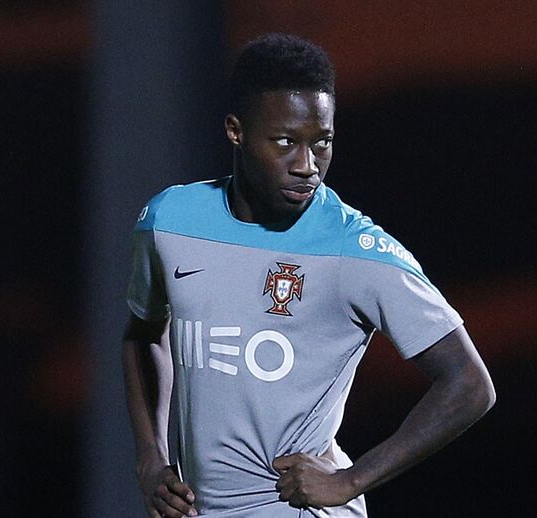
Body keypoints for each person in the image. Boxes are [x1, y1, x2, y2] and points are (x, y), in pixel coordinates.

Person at [122, 33, 495, 517]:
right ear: (236, 131)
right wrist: (151, 459)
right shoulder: (169, 222)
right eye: (285, 142)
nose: (307, 166)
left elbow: (469, 383)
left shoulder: (354, 249)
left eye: (322, 143)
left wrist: (350, 480)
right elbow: (143, 333)